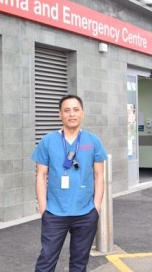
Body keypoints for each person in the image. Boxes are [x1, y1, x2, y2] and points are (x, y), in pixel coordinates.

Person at [32, 94, 107, 272]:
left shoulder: (93, 141)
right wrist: (44, 210)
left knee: (79, 264)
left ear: (82, 113)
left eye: (76, 110)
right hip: (55, 213)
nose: (71, 114)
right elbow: (41, 176)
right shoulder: (48, 141)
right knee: (46, 263)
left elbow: (99, 175)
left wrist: (95, 208)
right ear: (60, 114)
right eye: (67, 110)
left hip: (85, 213)